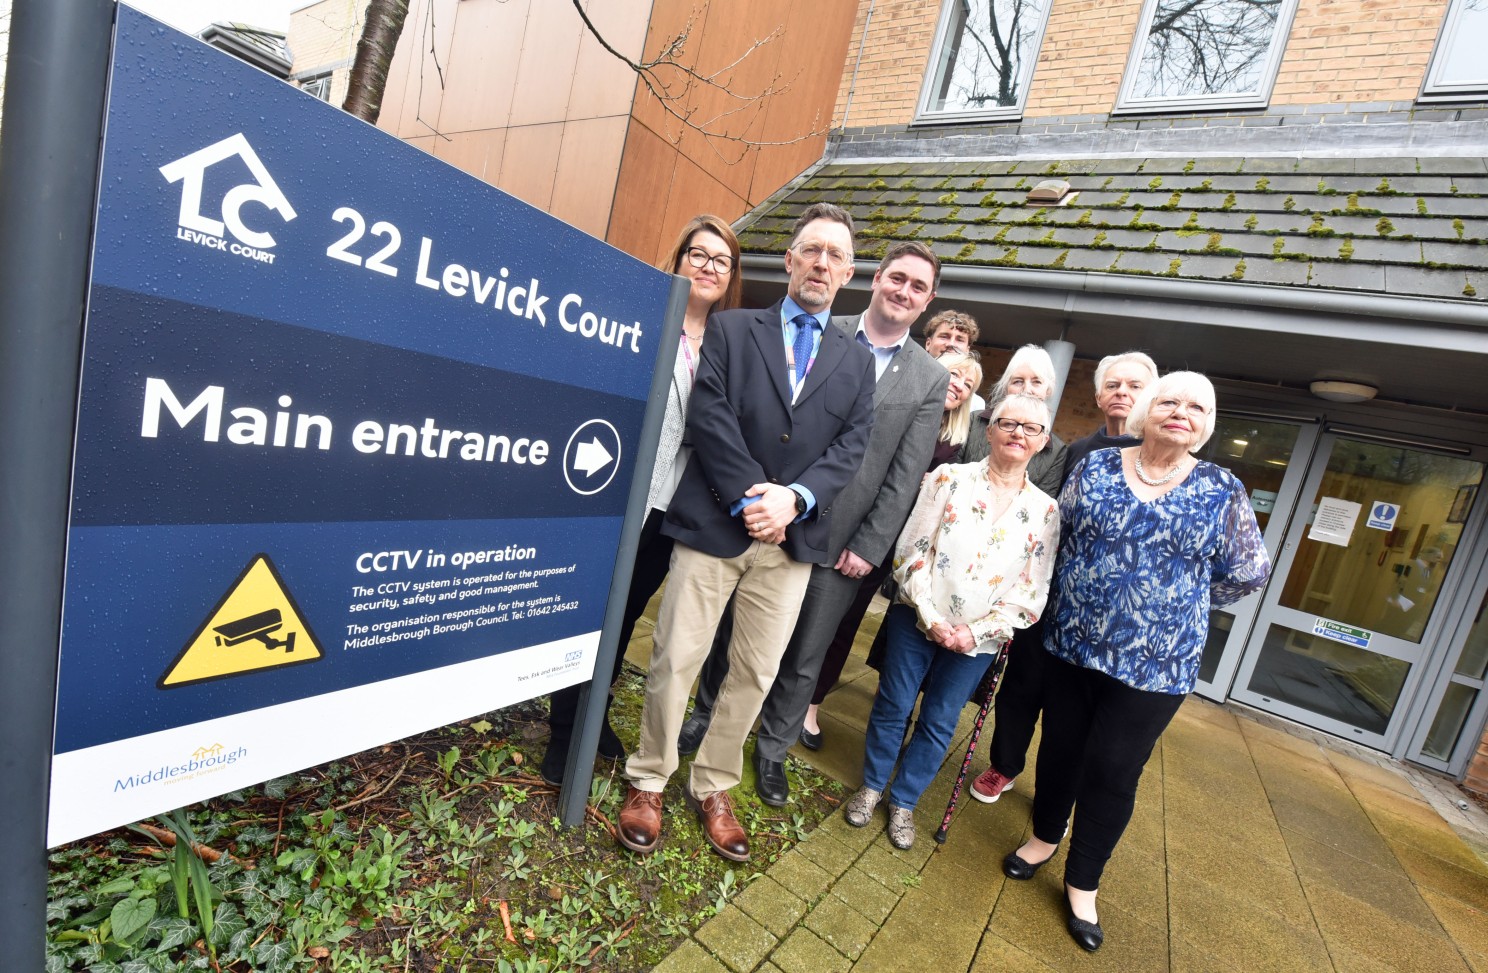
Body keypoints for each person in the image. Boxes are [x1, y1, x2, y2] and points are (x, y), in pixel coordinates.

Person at [617, 202, 876, 863]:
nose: (821, 263)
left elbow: (852, 445)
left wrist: (793, 498)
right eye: (810, 250)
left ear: (849, 273)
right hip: (715, 524)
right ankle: (649, 777)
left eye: (835, 255)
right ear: (789, 259)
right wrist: (749, 497)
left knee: (755, 672)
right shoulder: (733, 330)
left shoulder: (856, 360)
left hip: (791, 542)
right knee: (676, 655)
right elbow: (710, 415)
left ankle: (713, 784)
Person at [1002, 372, 1270, 952]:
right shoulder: (1096, 467)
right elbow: (1059, 535)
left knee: (1114, 770)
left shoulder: (1222, 489)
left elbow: (1248, 572)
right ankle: (1044, 837)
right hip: (1072, 644)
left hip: (1157, 665)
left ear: (1207, 424)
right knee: (1061, 750)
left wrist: (1179, 600)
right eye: (1168, 400)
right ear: (1147, 410)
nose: (1180, 412)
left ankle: (1083, 882)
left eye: (1196, 406)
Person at [676, 242, 951, 805]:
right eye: (897, 278)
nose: (903, 291)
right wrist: (765, 505)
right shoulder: (821, 325)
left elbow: (906, 471)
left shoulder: (928, 376)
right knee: (732, 634)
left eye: (918, 287)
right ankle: (703, 719)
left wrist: (871, 544)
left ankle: (772, 750)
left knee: (804, 657)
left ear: (928, 301)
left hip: (843, 537)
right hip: (767, 517)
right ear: (873, 279)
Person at [540, 215, 741, 786]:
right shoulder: (640, 322)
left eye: (720, 260)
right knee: (592, 612)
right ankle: (563, 733)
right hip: (621, 497)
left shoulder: (729, 343)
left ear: (731, 276)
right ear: (678, 259)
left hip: (677, 511)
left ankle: (593, 718)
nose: (708, 267)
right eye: (699, 254)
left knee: (626, 618)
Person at [843, 393, 1059, 849]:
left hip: (978, 641)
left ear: (1042, 442)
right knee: (894, 704)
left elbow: (1031, 589)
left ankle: (903, 802)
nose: (1018, 433)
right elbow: (910, 549)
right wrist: (933, 617)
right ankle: (872, 786)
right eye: (1008, 423)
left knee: (940, 722)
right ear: (989, 429)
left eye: (1030, 428)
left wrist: (975, 632)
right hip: (918, 618)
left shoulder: (1046, 511)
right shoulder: (949, 478)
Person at [791, 350, 981, 751]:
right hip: (857, 520)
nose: (958, 385)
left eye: (968, 383)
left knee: (846, 623)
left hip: (901, 542)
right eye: (953, 374)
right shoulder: (901, 409)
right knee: (803, 610)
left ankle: (811, 704)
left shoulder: (958, 444)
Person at [961, 344, 1067, 494]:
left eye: (1036, 382)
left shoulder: (1056, 450)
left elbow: (1041, 505)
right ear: (1006, 387)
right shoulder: (974, 420)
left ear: (1048, 390)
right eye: (1018, 381)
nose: (1026, 389)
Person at [1062, 351, 1158, 474]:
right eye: (1112, 386)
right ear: (1098, 398)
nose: (1121, 391)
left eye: (1135, 386)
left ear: (1152, 399)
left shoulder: (1161, 451)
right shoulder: (1077, 450)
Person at [921, 309, 985, 410]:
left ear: (968, 350)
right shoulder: (907, 378)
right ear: (928, 344)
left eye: (959, 339)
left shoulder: (975, 405)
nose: (951, 344)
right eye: (944, 336)